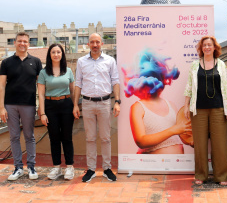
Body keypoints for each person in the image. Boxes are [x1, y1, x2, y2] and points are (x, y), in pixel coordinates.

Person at [184, 36, 227, 186]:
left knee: (219, 144)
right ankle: (201, 175)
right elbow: (189, 87)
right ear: (201, 48)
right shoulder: (194, 66)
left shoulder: (221, 65)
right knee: (199, 145)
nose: (207, 47)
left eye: (209, 45)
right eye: (204, 45)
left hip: (218, 109)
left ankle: (221, 176)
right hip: (198, 110)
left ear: (214, 48)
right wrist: (186, 106)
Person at [122, 48, 192, 154]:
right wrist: (174, 130)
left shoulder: (171, 105)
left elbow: (182, 135)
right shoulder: (138, 107)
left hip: (177, 167)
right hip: (152, 167)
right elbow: (141, 141)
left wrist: (192, 139)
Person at [73, 33, 120, 182]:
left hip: (105, 103)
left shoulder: (110, 61)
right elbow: (78, 83)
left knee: (106, 138)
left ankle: (107, 168)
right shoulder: (81, 62)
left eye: (97, 42)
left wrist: (118, 101)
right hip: (87, 103)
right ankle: (91, 169)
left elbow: (115, 81)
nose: (95, 45)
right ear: (88, 44)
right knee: (90, 138)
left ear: (102, 44)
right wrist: (75, 104)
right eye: (92, 42)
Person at [0, 32, 42, 181]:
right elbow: (2, 86)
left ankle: (31, 166)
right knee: (14, 136)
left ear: (28, 44)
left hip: (29, 104)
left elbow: (40, 85)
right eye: (20, 41)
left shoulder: (36, 62)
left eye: (25, 41)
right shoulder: (6, 62)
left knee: (29, 136)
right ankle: (18, 167)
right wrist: (1, 107)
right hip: (10, 105)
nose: (22, 43)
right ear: (15, 43)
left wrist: (40, 106)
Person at [38, 43, 75, 180]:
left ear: (62, 54)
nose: (56, 54)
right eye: (53, 52)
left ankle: (70, 167)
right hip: (50, 106)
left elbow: (72, 91)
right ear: (50, 55)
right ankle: (57, 167)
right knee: (54, 138)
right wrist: (42, 113)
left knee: (67, 137)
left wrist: (75, 106)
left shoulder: (68, 71)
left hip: (66, 105)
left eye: (58, 52)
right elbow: (41, 94)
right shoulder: (43, 72)